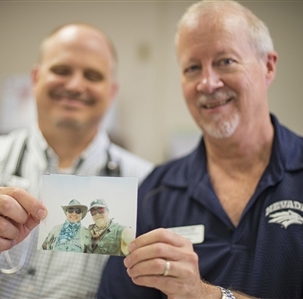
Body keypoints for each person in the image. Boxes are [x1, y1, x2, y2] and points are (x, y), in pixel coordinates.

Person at [98, 1, 303, 298]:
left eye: (226, 61)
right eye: (193, 68)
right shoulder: (157, 193)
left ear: (268, 66)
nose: (207, 83)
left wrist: (207, 295)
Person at [0, 23, 153, 298]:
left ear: (112, 92)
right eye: (61, 70)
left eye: (93, 75)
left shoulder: (148, 184)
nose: (75, 85)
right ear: (35, 78)